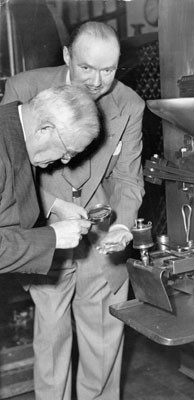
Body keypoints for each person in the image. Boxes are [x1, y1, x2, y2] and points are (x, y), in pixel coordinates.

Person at [1, 21, 145, 400]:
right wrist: (52, 210)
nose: (98, 81)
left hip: (101, 237)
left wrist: (123, 226)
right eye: (86, 68)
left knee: (103, 345)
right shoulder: (23, 89)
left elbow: (129, 178)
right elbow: (9, 170)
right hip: (43, 233)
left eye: (109, 70)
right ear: (66, 56)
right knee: (51, 340)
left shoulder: (129, 104)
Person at [0, 84, 99, 274]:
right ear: (45, 129)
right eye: (68, 151)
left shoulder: (15, 132)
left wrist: (58, 206)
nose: (65, 160)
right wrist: (52, 237)